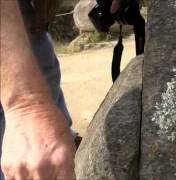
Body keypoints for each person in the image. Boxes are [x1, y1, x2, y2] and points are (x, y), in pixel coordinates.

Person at [0, 0, 127, 178]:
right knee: (35, 155)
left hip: (30, 31)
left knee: (52, 154)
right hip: (11, 51)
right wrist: (25, 105)